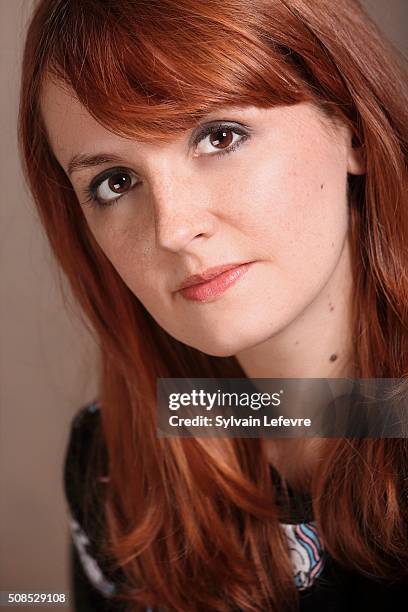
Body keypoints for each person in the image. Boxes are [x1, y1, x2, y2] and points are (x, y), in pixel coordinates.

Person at [18, 0, 408, 610]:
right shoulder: (117, 467)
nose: (172, 228)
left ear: (349, 125)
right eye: (115, 182)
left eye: (219, 136)